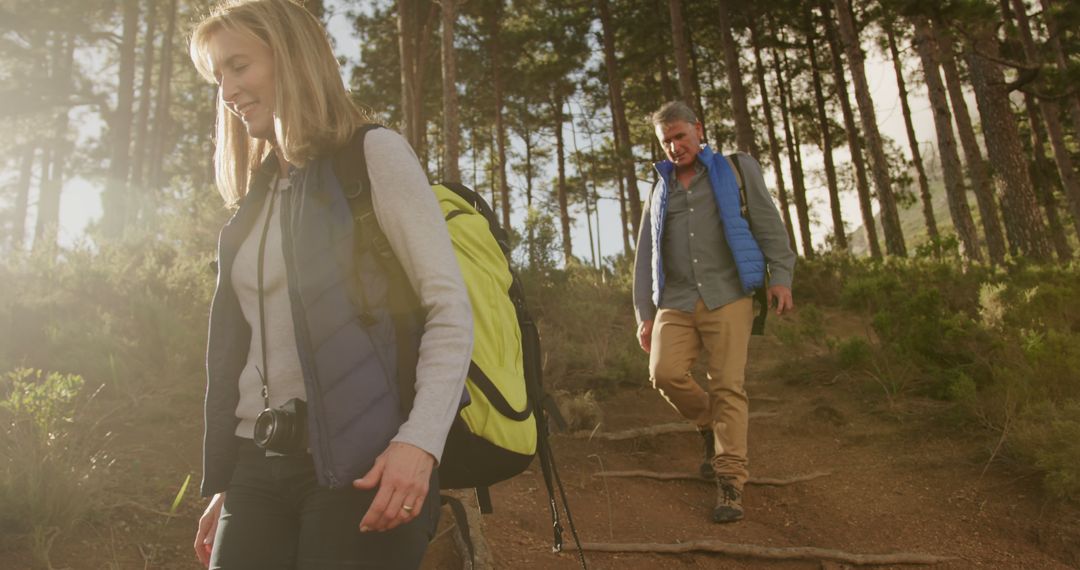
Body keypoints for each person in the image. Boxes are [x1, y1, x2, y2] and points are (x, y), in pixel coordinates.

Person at [187, 1, 473, 568]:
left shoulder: (371, 155)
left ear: (291, 57)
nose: (227, 90)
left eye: (239, 66)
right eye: (218, 75)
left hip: (365, 464)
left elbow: (450, 309)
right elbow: (255, 348)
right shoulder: (258, 196)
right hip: (256, 466)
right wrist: (226, 483)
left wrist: (419, 444)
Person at [633, 101, 795, 524]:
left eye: (680, 137)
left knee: (728, 385)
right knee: (663, 373)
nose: (674, 147)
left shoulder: (735, 170)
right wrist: (644, 313)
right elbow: (645, 254)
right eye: (666, 140)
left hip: (729, 294)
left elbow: (767, 222)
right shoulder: (658, 188)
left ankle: (730, 482)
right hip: (676, 299)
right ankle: (709, 426)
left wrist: (781, 275)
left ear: (697, 131)